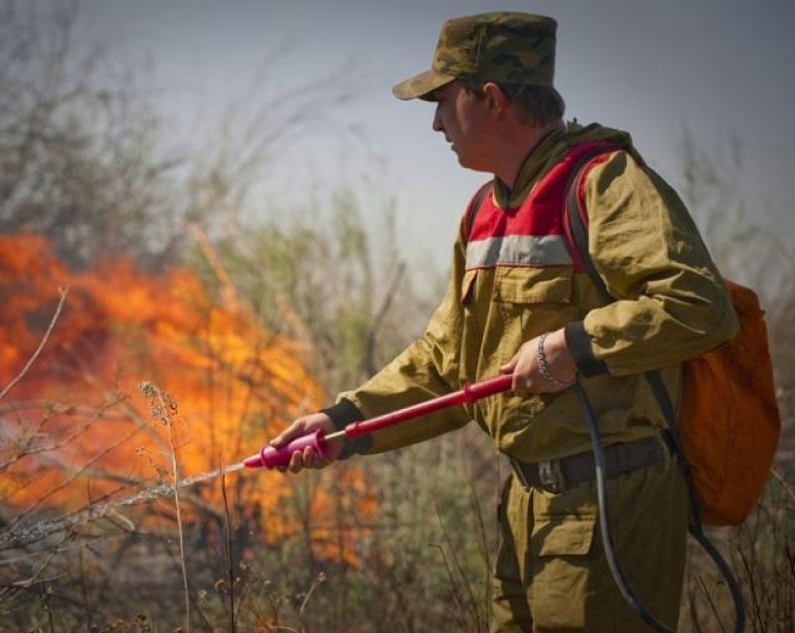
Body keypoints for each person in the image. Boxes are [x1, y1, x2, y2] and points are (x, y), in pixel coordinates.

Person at [270, 11, 739, 632]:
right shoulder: (483, 214)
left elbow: (698, 306)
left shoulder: (604, 184)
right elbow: (447, 364)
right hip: (523, 506)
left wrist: (572, 346)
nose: (435, 122)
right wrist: (343, 421)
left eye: (443, 100)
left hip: (609, 505)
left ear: (490, 98)